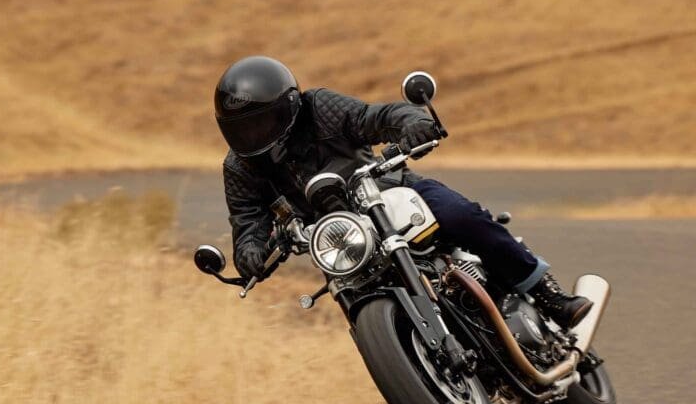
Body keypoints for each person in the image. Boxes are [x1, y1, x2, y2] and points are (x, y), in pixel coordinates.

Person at [215, 56, 592, 330]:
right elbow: (247, 227)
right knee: (350, 300)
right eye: (243, 129)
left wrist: (412, 123)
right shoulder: (240, 168)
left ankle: (547, 294)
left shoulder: (319, 107)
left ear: (290, 107)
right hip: (340, 240)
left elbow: (375, 118)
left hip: (386, 193)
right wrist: (254, 256)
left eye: (263, 122)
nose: (254, 135)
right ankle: (414, 379)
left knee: (458, 214)